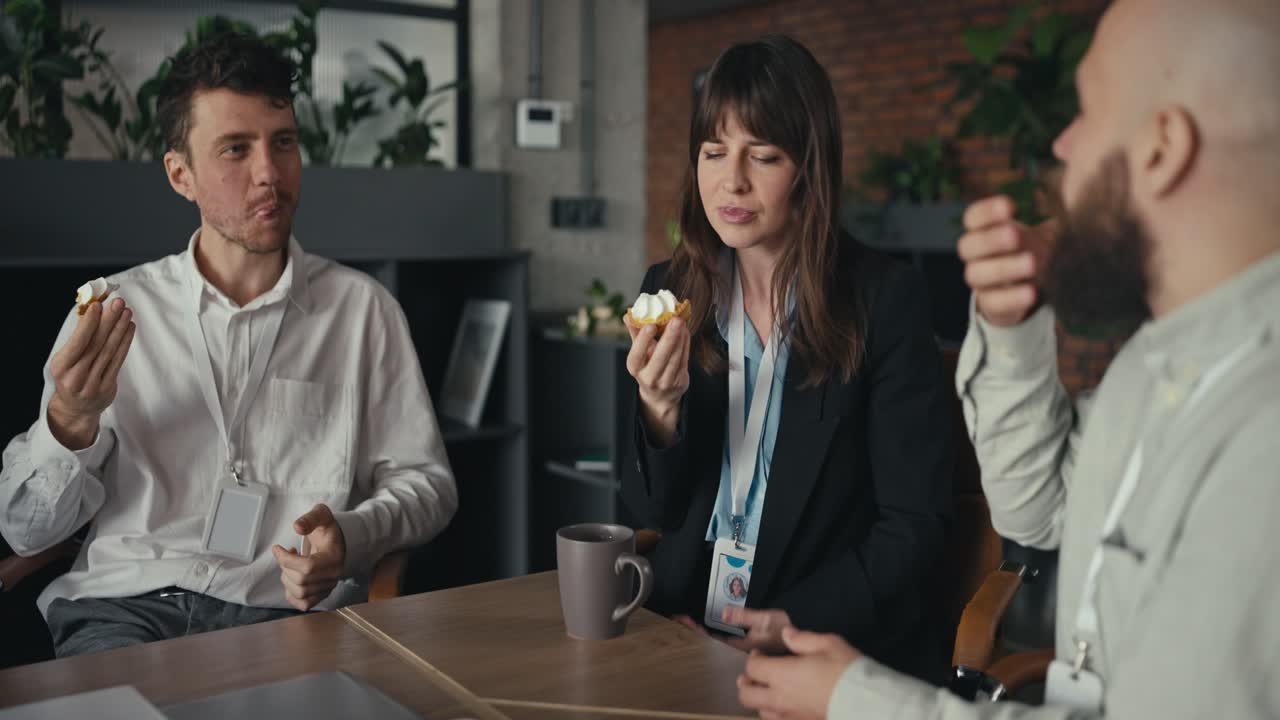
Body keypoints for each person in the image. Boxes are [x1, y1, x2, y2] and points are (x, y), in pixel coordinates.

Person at [733, 0, 1280, 717]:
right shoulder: (1152, 366)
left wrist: (859, 702)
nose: (1063, 144)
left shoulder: (1262, 437)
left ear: (1162, 148)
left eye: (1087, 110)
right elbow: (1036, 510)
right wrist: (1010, 324)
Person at [0, 33, 458, 658]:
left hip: (286, 617)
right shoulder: (114, 314)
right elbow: (27, 534)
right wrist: (69, 423)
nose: (269, 173)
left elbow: (428, 485)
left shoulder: (363, 312)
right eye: (236, 149)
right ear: (180, 174)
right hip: (126, 609)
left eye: (283, 143)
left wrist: (351, 536)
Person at [619, 34, 952, 680]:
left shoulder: (883, 301)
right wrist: (658, 409)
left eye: (764, 155)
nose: (732, 181)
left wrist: (790, 623)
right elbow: (650, 513)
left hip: (819, 641)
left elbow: (913, 526)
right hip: (683, 630)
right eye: (714, 152)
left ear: (809, 166)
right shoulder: (670, 291)